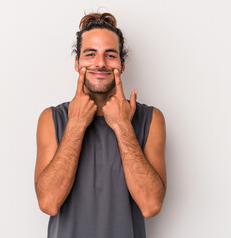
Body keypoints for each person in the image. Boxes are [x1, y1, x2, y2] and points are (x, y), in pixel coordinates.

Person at [34, 12, 167, 238]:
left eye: (110, 55)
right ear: (77, 63)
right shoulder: (51, 118)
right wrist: (76, 124)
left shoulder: (151, 119)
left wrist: (123, 126)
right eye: (90, 54)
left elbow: (151, 205)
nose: (100, 63)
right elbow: (49, 203)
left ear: (122, 64)